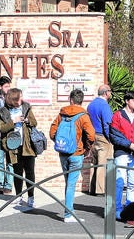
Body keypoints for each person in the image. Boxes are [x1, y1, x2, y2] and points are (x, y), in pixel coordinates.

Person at [50, 89, 95, 223]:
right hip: (77, 153)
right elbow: (91, 135)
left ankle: (69, 210)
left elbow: (52, 132)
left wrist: (60, 143)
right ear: (81, 101)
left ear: (70, 100)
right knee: (71, 184)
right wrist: (87, 147)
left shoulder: (62, 114)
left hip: (63, 153)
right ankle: (68, 215)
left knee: (67, 183)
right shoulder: (83, 116)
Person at [109, 91, 134, 221]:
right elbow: (114, 134)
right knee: (120, 181)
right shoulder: (118, 115)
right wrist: (128, 144)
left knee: (132, 182)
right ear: (127, 101)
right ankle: (118, 209)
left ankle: (129, 207)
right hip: (122, 152)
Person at [0, 88, 38, 207]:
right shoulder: (3, 111)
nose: (21, 99)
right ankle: (19, 196)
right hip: (13, 146)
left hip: (27, 145)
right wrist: (13, 121)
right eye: (19, 97)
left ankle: (31, 197)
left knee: (30, 172)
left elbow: (34, 122)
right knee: (17, 172)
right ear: (13, 100)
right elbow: (1, 128)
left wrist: (27, 120)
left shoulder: (26, 107)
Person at [87, 84, 113, 196]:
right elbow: (107, 124)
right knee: (103, 163)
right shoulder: (105, 106)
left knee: (94, 163)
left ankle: (92, 188)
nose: (111, 93)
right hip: (103, 137)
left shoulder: (91, 105)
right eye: (110, 91)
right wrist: (110, 138)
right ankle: (100, 189)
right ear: (106, 93)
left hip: (93, 136)